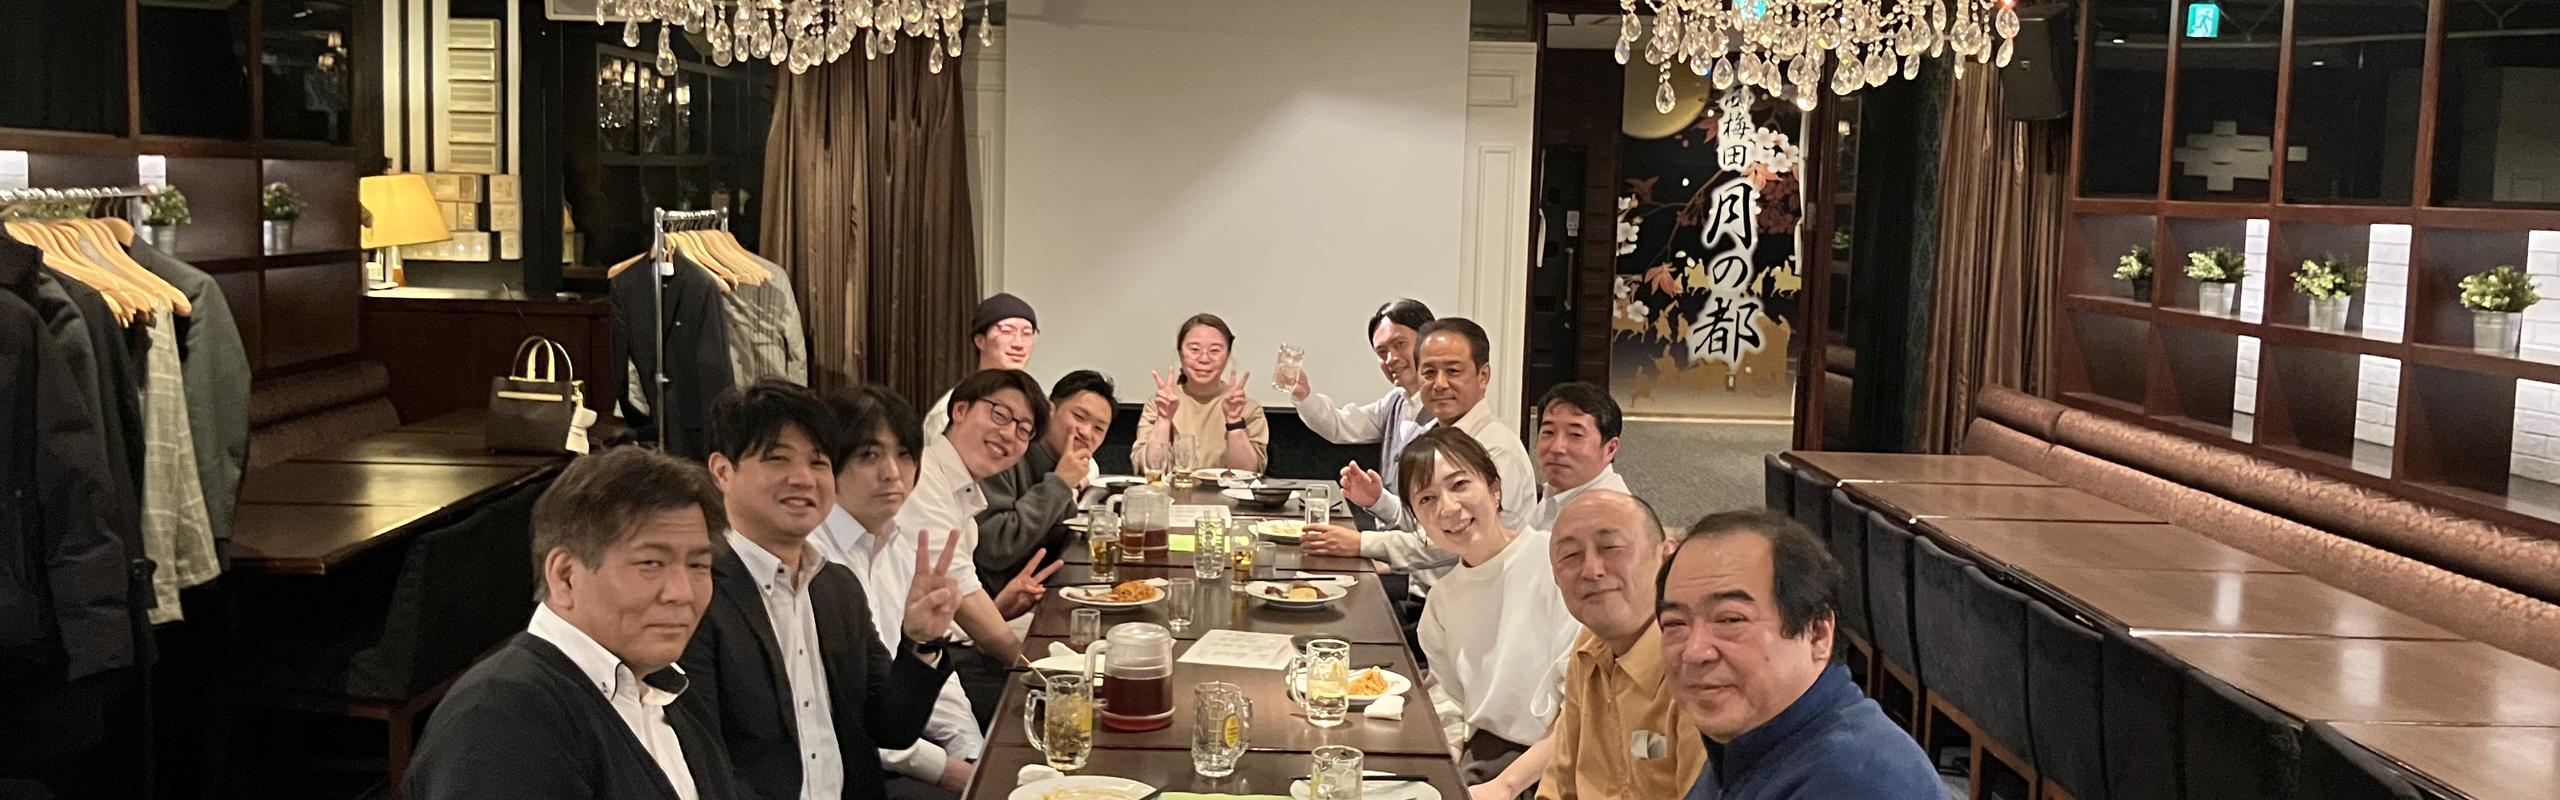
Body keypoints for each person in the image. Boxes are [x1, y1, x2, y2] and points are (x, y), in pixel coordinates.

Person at [404, 446, 741, 800]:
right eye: (651, 564)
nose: (682, 592)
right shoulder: (497, 721)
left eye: (698, 566)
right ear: (565, 576)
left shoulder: (670, 692)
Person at [685, 380, 959, 800]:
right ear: (723, 471)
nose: (803, 478)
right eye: (777, 458)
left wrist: (921, 643)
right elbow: (701, 762)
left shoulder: (837, 587)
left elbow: (890, 729)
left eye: (818, 462)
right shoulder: (696, 592)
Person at [1661, 510, 1939, 799]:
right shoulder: (1750, 741)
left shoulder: (1856, 781)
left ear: (1817, 634)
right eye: (1675, 623)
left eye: (1730, 619)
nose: (1694, 651)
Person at [812, 385, 991, 799]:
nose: (892, 473)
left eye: (905, 454)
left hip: (897, 731)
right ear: (828, 464)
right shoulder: (815, 559)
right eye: (869, 455)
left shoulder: (899, 543)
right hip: (850, 763)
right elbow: (847, 713)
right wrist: (947, 770)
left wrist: (971, 753)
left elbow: (930, 676)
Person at [1468, 490, 1707, 800]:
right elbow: (1558, 784)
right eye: (1570, 556)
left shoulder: (1698, 674)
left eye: (1611, 547)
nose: (1592, 570)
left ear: (1666, 556)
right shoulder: (1589, 646)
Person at [1304, 317, 1538, 602]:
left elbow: (1451, 541)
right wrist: (1377, 500)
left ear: (1483, 375)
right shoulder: (1438, 437)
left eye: (1453, 371)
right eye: (1429, 372)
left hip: (1478, 605)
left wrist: (1362, 543)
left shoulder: (1495, 448)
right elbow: (1427, 522)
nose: (1440, 384)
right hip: (1429, 595)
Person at [1401, 428, 1582, 790]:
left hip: (1560, 766)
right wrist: (1445, 768)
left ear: (1495, 489)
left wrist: (1507, 786)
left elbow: (1583, 707)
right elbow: (1450, 701)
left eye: (1459, 485)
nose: (1447, 508)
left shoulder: (1555, 564)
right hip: (1485, 762)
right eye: (1427, 498)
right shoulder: (1441, 601)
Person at [901, 368, 1067, 721]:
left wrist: (998, 607)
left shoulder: (963, 491)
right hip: (920, 661)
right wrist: (1035, 673)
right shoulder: (922, 477)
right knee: (1054, 712)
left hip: (949, 647)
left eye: (1024, 430)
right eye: (1000, 415)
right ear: (960, 410)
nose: (1008, 434)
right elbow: (959, 591)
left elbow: (959, 598)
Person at [1289, 297, 1435, 526]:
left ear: (1429, 341)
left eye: (1400, 344)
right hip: (1390, 539)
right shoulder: (1395, 402)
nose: (1391, 359)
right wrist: (1304, 395)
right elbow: (1340, 425)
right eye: (1382, 351)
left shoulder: (1448, 413)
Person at [977, 370, 1112, 591]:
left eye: (1099, 428)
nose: (1086, 432)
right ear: (1050, 410)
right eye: (1079, 416)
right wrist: (1059, 483)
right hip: (992, 598)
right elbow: (994, 549)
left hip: (1042, 589)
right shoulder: (1006, 453)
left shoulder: (1062, 466)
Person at [1135, 313, 1268, 473]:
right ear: (1180, 353)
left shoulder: (1247, 408)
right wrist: (1164, 419)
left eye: (1215, 350)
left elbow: (1248, 473)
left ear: (1227, 355)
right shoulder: (1161, 403)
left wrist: (1234, 422)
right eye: (1194, 349)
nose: (1204, 358)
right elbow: (1149, 469)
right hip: (1175, 489)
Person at [921, 293, 1039, 438]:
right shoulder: (951, 408)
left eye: (1027, 333)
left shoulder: (1037, 405)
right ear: (980, 341)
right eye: (1007, 331)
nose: (1018, 344)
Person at [1527, 383, 1629, 533]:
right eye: (1549, 432)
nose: (1557, 448)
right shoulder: (1553, 492)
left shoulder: (1609, 517)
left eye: (1575, 435)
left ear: (1610, 449)